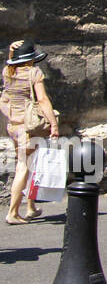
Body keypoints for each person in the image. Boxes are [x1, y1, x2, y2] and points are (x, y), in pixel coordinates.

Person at [2, 41, 60, 225]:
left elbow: (11, 63)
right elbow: (42, 100)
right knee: (23, 167)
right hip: (28, 127)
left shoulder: (7, 73)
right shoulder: (34, 73)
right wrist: (54, 125)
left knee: (31, 164)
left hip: (13, 126)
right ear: (30, 60)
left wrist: (12, 51)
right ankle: (12, 212)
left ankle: (30, 207)